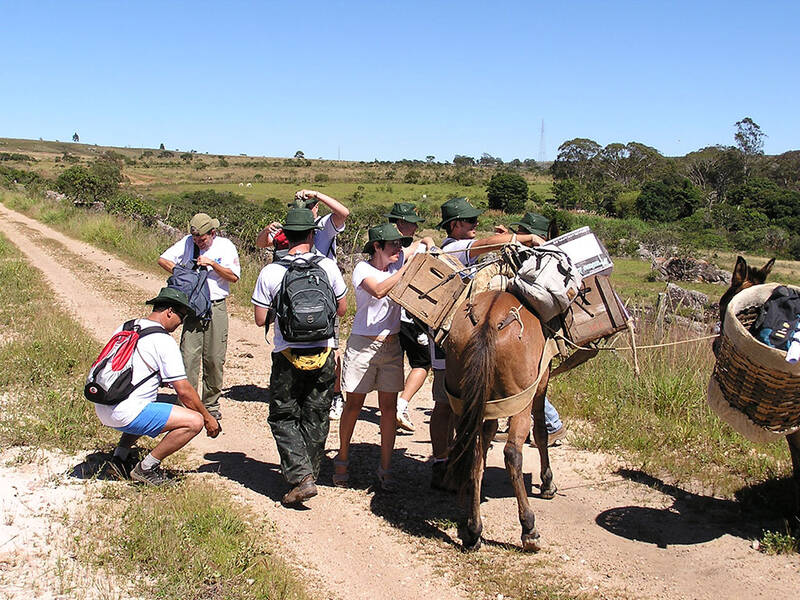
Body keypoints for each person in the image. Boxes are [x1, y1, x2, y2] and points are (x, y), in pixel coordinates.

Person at [429, 198, 547, 489]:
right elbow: (484, 245)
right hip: (454, 343)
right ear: (455, 225)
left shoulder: (454, 249)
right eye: (469, 222)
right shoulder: (454, 247)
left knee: (453, 407)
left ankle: (449, 465)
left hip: (456, 338)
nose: (474, 225)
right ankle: (444, 464)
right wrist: (526, 237)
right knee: (447, 405)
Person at [252, 207, 348, 506]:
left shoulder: (271, 271)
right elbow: (342, 309)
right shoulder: (329, 267)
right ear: (311, 234)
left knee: (283, 415)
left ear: (284, 236)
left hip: (287, 353)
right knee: (316, 415)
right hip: (324, 351)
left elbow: (259, 318)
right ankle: (308, 473)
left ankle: (300, 477)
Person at [334, 223, 432, 491]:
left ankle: (386, 466)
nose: (397, 249)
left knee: (388, 409)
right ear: (377, 246)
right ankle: (342, 457)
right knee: (353, 404)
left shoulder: (395, 265)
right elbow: (377, 290)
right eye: (392, 245)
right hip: (363, 345)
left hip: (391, 347)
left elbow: (423, 241)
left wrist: (428, 243)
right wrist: (404, 270)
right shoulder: (363, 270)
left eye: (399, 245)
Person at [96, 287, 221, 486]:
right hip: (124, 414)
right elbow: (184, 391)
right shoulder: (163, 340)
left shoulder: (127, 326)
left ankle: (119, 457)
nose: (180, 323)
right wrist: (208, 418)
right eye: (181, 316)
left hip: (103, 405)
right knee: (193, 421)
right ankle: (146, 468)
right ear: (169, 311)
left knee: (146, 401)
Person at [256, 190, 350, 420]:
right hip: (298, 300)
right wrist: (268, 230)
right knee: (318, 346)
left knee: (331, 347)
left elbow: (343, 213)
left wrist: (317, 194)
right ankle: (316, 397)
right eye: (301, 207)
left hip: (322, 297)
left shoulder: (324, 226)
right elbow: (262, 244)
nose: (306, 210)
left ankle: (335, 394)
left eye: (310, 206)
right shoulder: (288, 231)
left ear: (317, 208)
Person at [157, 213, 240, 421]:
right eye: (195, 239)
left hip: (216, 305)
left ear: (213, 233)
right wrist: (182, 272)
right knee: (188, 356)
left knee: (214, 358)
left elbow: (234, 277)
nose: (198, 242)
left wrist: (212, 264)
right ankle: (188, 404)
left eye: (202, 239)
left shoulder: (226, 246)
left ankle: (211, 404)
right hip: (193, 307)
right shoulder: (187, 243)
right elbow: (162, 259)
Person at [503, 212, 567, 447]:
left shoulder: (537, 259)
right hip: (530, 329)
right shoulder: (536, 255)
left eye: (521, 231)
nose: (517, 235)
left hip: (535, 331)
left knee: (529, 382)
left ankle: (552, 425)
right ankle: (517, 426)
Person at [384, 202, 431, 432]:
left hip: (389, 316)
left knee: (393, 364)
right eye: (411, 223)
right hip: (409, 316)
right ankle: (400, 406)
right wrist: (426, 242)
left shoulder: (382, 246)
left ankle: (392, 408)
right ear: (401, 223)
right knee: (422, 363)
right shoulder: (408, 249)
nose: (414, 228)